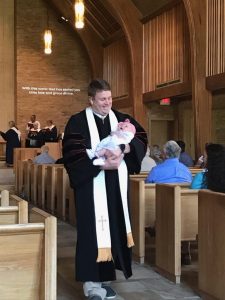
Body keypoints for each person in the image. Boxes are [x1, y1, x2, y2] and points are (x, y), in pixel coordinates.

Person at [63, 79, 147, 300]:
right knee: (93, 233)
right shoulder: (77, 122)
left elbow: (141, 138)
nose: (107, 103)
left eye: (109, 98)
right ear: (91, 99)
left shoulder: (120, 119)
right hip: (91, 188)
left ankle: (106, 280)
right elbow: (72, 155)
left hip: (115, 188)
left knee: (112, 230)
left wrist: (124, 147)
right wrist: (99, 162)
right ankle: (91, 285)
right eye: (102, 99)